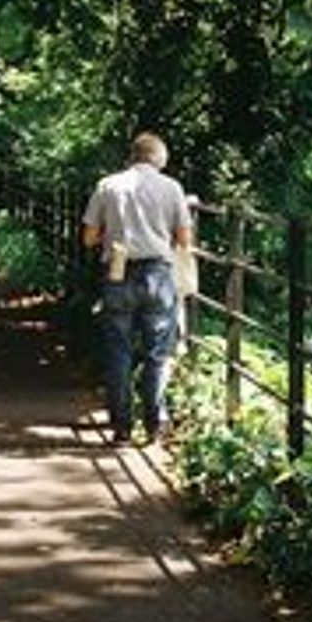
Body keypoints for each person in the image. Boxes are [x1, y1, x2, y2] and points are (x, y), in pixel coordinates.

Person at [81, 132, 194, 445]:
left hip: (118, 272)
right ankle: (155, 422)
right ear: (159, 159)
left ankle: (122, 428)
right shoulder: (172, 188)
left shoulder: (108, 185)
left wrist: (112, 232)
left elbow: (89, 238)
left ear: (132, 156)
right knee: (158, 351)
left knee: (118, 350)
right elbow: (184, 240)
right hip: (158, 274)